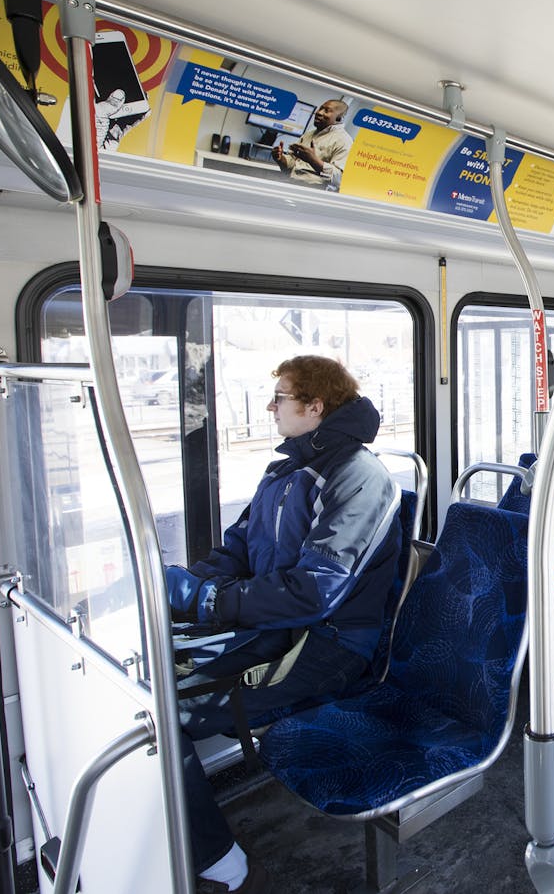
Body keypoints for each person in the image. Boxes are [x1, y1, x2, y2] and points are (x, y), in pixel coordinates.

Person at [167, 355, 401, 893]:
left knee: (163, 717)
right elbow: (240, 548)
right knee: (151, 677)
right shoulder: (285, 471)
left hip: (328, 645)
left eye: (281, 397)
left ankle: (224, 867)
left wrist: (208, 604)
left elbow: (317, 589)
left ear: (315, 407)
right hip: (279, 629)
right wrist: (187, 591)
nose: (271, 406)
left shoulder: (359, 478)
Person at [271, 99, 352, 189]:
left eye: (326, 111)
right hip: (293, 184)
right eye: (320, 108)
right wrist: (281, 159)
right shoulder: (309, 134)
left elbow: (340, 178)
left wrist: (313, 160)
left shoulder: (344, 140)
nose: (319, 113)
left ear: (338, 119)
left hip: (315, 191)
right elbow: (292, 165)